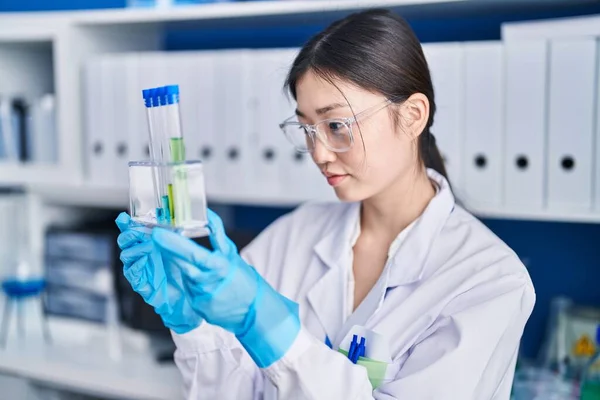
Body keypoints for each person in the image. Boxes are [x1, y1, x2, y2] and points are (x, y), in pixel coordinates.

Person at [116, 8, 535, 399]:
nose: (319, 153)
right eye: (306, 129)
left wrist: (274, 331)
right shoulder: (294, 235)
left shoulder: (489, 281)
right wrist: (192, 325)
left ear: (412, 116)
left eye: (336, 125)